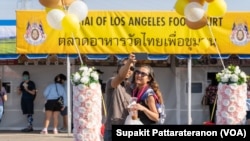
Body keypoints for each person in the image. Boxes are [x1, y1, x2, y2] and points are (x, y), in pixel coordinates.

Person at [104, 54, 136, 141]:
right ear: (119, 68)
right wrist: (129, 62)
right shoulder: (112, 81)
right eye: (126, 66)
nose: (129, 70)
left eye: (132, 68)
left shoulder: (131, 87)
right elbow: (121, 76)